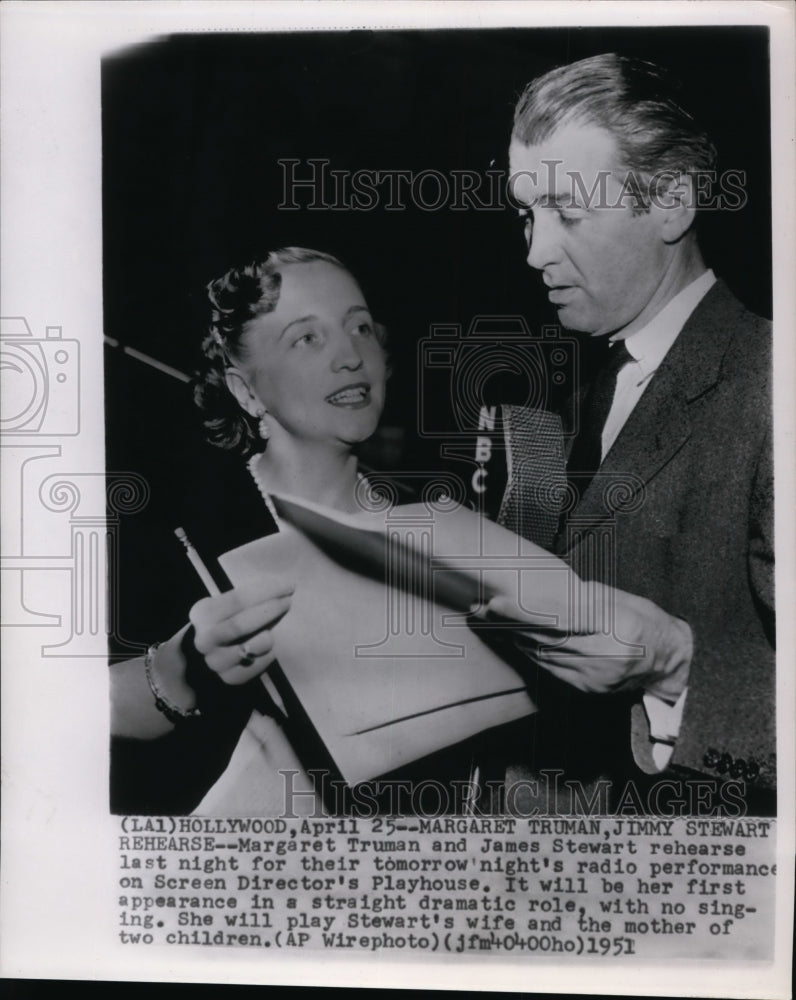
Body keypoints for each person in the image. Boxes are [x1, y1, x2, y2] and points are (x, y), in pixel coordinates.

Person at [110, 246, 575, 815]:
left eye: (359, 328)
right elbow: (68, 717)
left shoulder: (441, 523)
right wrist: (183, 665)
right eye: (307, 338)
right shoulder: (185, 533)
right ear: (246, 391)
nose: (350, 357)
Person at [485, 53, 774, 814]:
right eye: (525, 215)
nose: (535, 251)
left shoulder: (774, 385)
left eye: (568, 213)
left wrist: (674, 667)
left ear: (672, 201)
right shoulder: (571, 394)